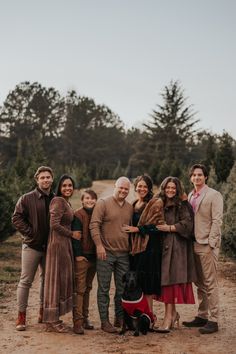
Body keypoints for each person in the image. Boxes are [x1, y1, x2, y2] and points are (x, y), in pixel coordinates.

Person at [183, 164, 223, 334]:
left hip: (206, 244)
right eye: (194, 175)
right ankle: (202, 315)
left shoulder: (214, 195)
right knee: (199, 283)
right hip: (193, 244)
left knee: (210, 283)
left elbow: (217, 220)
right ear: (191, 177)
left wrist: (211, 243)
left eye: (200, 175)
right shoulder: (191, 195)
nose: (197, 177)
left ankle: (213, 320)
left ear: (205, 177)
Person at [12, 166, 54, 331]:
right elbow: (16, 218)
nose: (45, 180)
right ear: (37, 180)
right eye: (42, 177)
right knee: (25, 281)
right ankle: (21, 315)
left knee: (46, 280)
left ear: (52, 179)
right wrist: (31, 233)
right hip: (31, 246)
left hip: (49, 248)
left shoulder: (56, 199)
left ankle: (42, 312)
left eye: (48, 177)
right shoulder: (26, 198)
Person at [90, 176, 133, 333]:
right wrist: (99, 246)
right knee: (104, 288)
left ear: (129, 190)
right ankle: (104, 321)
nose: (123, 191)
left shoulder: (130, 207)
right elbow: (94, 225)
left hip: (123, 254)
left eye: (126, 189)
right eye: (120, 187)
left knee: (122, 289)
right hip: (105, 253)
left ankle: (119, 318)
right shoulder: (103, 203)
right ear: (115, 186)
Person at [156, 176, 197, 333]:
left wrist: (170, 228)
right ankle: (173, 314)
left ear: (178, 189)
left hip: (177, 248)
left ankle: (168, 318)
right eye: (168, 187)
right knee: (165, 281)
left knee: (171, 281)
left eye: (173, 188)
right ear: (164, 188)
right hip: (163, 247)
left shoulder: (182, 205)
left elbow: (188, 224)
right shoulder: (159, 202)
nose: (170, 190)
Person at [43, 174, 81, 333]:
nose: (67, 188)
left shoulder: (65, 202)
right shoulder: (57, 201)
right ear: (59, 187)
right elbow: (54, 225)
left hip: (64, 245)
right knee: (55, 281)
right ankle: (51, 321)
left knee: (60, 281)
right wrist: (71, 234)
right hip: (57, 245)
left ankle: (54, 318)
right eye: (64, 185)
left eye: (70, 185)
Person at [123, 175, 164, 313]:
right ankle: (138, 316)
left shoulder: (154, 203)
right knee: (137, 282)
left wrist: (138, 229)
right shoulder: (134, 204)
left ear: (150, 188)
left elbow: (158, 226)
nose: (142, 189)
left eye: (145, 186)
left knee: (147, 284)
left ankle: (149, 316)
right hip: (135, 250)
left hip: (149, 249)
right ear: (135, 187)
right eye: (139, 186)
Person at [71, 189, 98, 334]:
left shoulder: (97, 213)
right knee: (79, 290)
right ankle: (77, 322)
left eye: (93, 198)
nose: (90, 201)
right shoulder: (78, 215)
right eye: (87, 198)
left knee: (88, 288)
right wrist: (78, 255)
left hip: (94, 257)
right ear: (82, 200)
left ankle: (85, 318)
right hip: (82, 257)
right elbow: (76, 237)